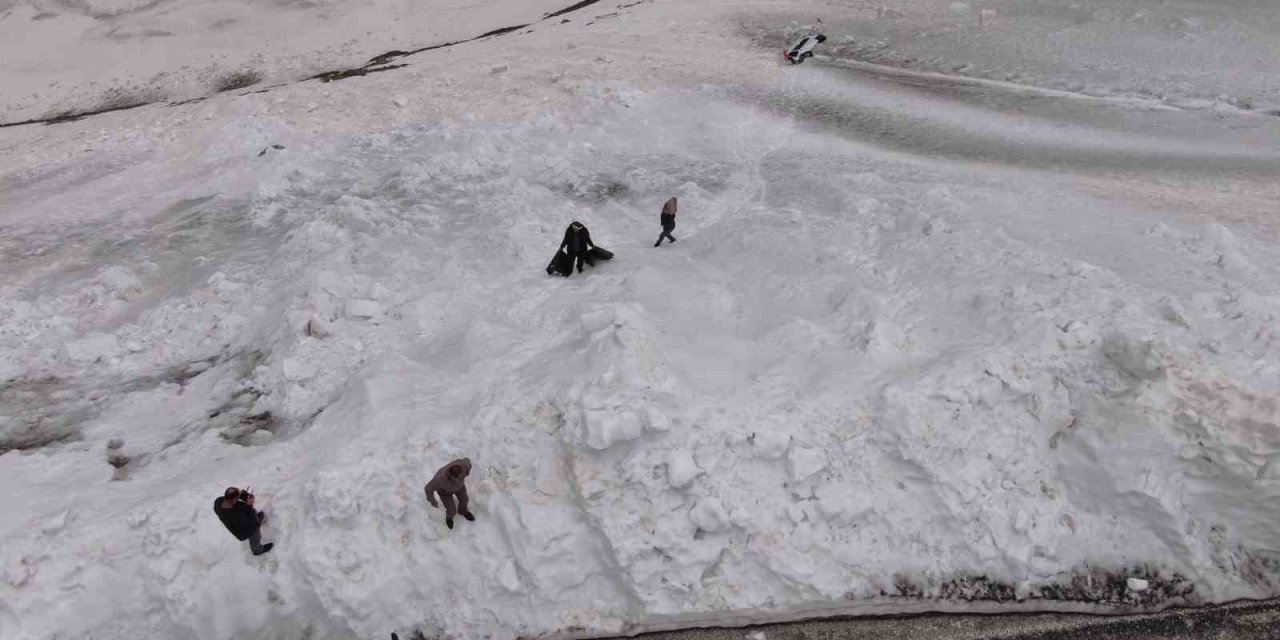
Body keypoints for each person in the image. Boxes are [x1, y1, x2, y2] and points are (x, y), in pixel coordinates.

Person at [214, 487, 274, 556]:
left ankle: (257, 518)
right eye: (237, 497)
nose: (239, 498)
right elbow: (252, 522)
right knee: (255, 531)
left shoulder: (219, 501)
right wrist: (250, 505)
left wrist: (245, 496)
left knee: (253, 514)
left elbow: (238, 497)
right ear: (234, 500)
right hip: (244, 530)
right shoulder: (235, 516)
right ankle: (257, 550)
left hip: (243, 519)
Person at [424, 458, 474, 530]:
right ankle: (449, 518)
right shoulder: (439, 479)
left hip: (460, 487)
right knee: (452, 510)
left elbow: (468, 462)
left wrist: (467, 473)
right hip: (445, 492)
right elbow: (428, 489)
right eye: (451, 477)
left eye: (455, 477)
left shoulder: (464, 465)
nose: (453, 479)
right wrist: (433, 501)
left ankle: (463, 511)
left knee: (465, 499)